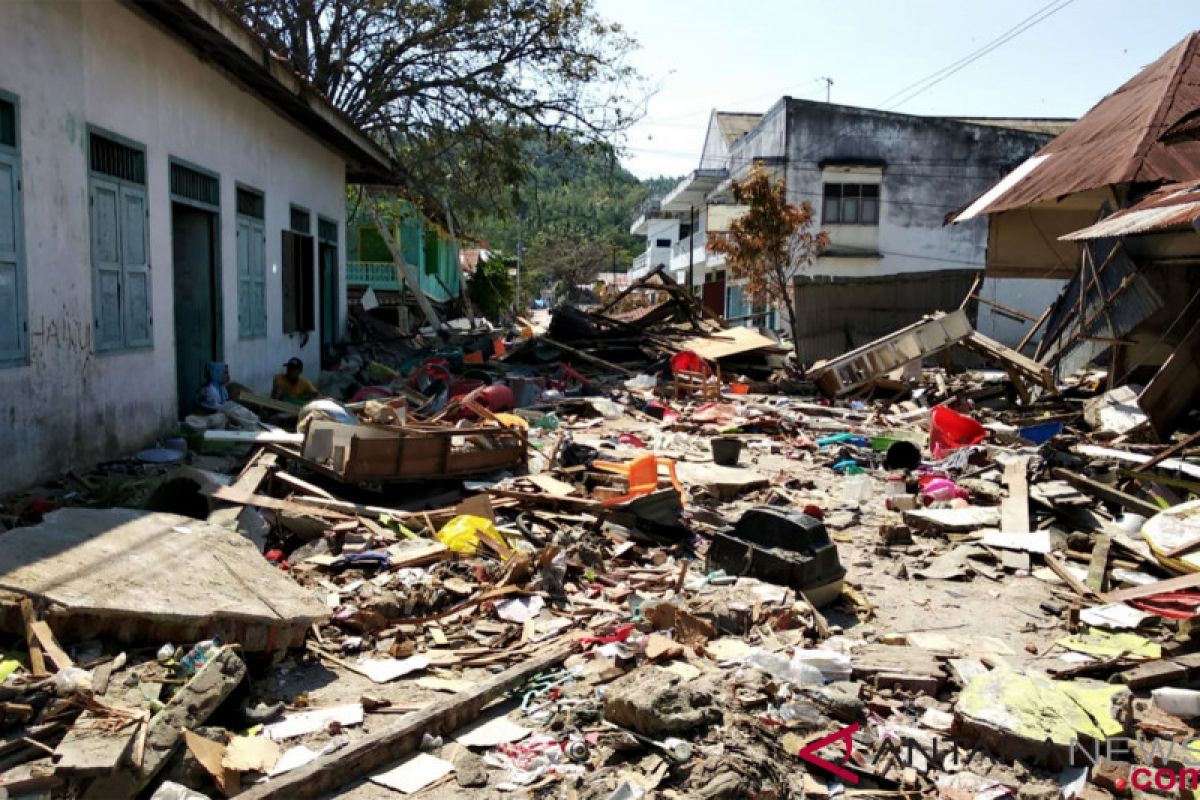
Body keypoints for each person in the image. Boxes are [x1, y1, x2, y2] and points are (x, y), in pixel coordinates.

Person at [187, 361, 259, 431]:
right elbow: (215, 409)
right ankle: (251, 422)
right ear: (216, 373)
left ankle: (252, 421)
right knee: (227, 414)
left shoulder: (221, 388)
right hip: (205, 417)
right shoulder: (210, 390)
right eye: (225, 373)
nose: (228, 376)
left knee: (233, 409)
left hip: (217, 414)